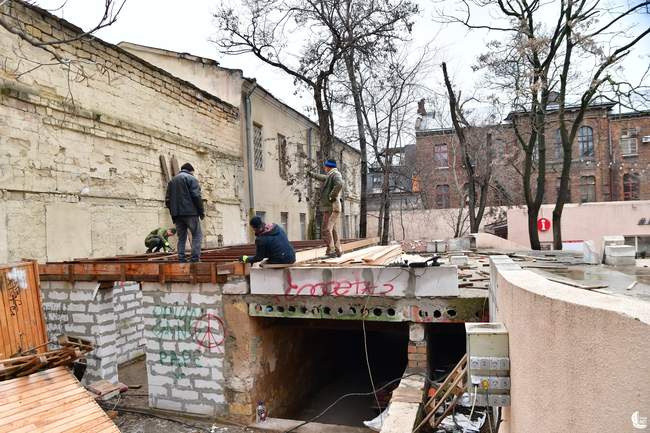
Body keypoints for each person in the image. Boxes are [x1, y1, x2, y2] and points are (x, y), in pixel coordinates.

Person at [165, 162, 204, 262]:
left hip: (177, 214)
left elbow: (168, 200)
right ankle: (195, 259)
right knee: (197, 235)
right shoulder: (191, 179)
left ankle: (181, 259)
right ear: (191, 171)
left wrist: (173, 212)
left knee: (181, 238)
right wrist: (201, 212)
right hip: (190, 213)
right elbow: (196, 196)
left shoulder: (172, 181)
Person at [308, 159, 345, 258]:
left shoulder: (335, 174)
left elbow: (339, 184)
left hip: (331, 206)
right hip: (332, 207)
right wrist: (312, 174)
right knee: (332, 229)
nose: (324, 168)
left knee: (326, 229)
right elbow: (324, 178)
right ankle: (338, 250)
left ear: (329, 166)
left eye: (325, 166)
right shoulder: (331, 175)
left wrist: (331, 196)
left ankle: (331, 251)